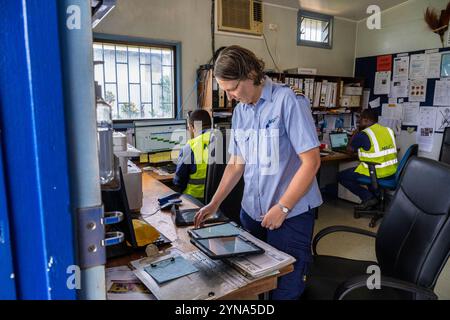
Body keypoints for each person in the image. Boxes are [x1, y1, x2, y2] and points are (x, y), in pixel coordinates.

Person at [194, 45, 323, 300]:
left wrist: (283, 207)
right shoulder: (241, 110)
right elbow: (236, 163)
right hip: (252, 212)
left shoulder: (289, 101)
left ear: (251, 73)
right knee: (254, 283)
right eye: (225, 90)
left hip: (289, 215)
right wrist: (214, 203)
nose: (230, 96)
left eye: (232, 88)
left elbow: (311, 162)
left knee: (285, 289)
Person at [338, 109, 398, 209]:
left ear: (365, 120)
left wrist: (356, 131)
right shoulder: (388, 130)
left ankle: (368, 198)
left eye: (360, 119)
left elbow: (349, 150)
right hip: (392, 171)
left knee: (341, 176)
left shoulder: (364, 134)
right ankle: (376, 197)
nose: (358, 121)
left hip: (376, 172)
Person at [173, 109, 212, 201]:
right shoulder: (223, 140)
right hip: (217, 199)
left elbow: (178, 180)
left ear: (192, 126)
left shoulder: (190, 147)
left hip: (194, 200)